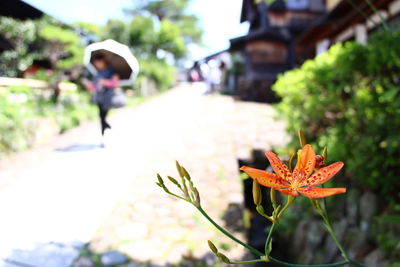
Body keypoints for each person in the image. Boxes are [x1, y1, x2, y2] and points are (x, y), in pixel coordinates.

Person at [82, 53, 120, 144]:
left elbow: (116, 83)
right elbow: (94, 87)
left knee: (103, 116)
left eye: (98, 62)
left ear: (103, 61)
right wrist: (88, 86)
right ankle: (104, 134)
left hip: (108, 97)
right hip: (99, 97)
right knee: (102, 117)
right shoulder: (97, 73)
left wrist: (105, 82)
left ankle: (105, 133)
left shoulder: (111, 71)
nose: (97, 65)